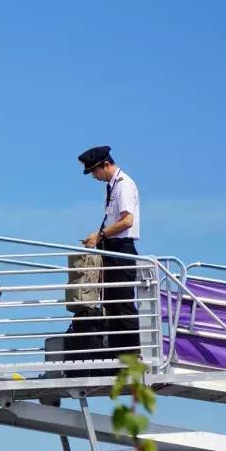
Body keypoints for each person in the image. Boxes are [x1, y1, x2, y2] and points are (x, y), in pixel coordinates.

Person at [79, 145, 141, 357]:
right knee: (111, 305)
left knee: (122, 304)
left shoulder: (123, 185)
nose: (94, 177)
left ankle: (131, 355)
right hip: (111, 249)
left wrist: (101, 235)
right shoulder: (113, 186)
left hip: (121, 250)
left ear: (105, 165)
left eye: (95, 171)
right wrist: (97, 236)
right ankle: (118, 354)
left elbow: (127, 221)